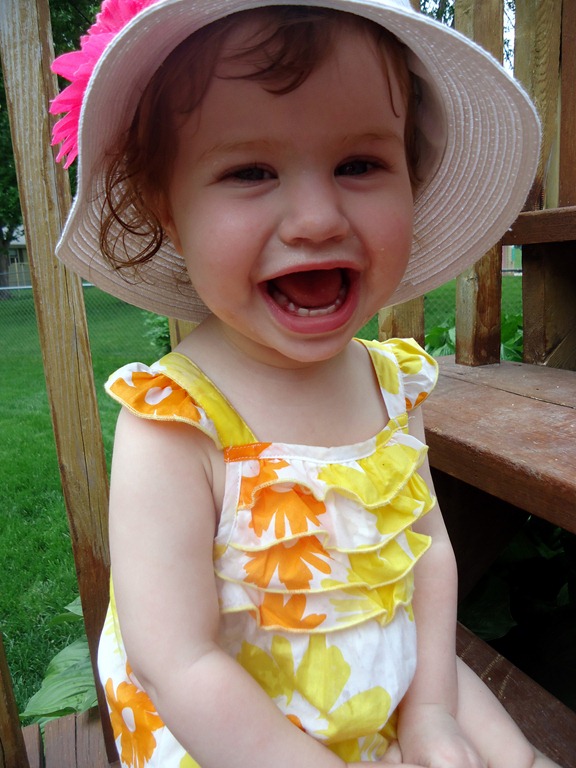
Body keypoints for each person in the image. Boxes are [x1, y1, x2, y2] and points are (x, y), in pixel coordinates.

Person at [50, 0, 551, 766]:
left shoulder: (391, 385)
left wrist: (430, 717)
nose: (316, 218)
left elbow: (427, 557)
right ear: (169, 212)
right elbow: (176, 662)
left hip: (389, 671)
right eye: (250, 171)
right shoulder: (176, 423)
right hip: (232, 733)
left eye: (359, 165)